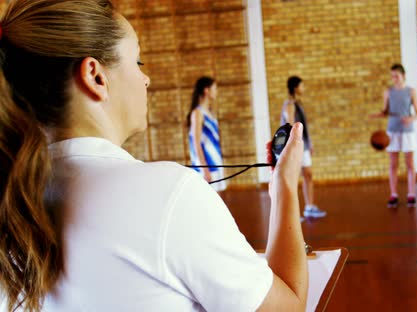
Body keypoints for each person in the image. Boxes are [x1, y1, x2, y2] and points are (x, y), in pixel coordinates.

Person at [0, 1, 307, 311]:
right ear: (95, 77)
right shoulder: (168, 194)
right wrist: (284, 190)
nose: (146, 79)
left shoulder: (11, 199)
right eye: (138, 62)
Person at [369, 64, 417, 208]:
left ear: (403, 76)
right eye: (392, 76)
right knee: (393, 164)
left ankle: (411, 194)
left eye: (396, 76)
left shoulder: (411, 91)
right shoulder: (388, 92)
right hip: (392, 130)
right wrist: (379, 114)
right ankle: (394, 195)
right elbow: (385, 111)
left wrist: (410, 118)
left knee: (410, 163)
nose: (394, 79)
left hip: (407, 131)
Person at [281, 76, 327, 220]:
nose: (304, 89)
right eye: (302, 86)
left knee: (308, 175)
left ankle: (309, 207)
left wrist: (310, 143)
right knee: (292, 179)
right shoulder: (289, 105)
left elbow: (304, 127)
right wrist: (294, 147)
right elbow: (290, 126)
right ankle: (292, 213)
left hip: (304, 145)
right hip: (296, 146)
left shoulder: (298, 103)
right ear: (295, 88)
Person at [187, 76, 227, 192]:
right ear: (207, 90)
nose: (216, 92)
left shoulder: (210, 112)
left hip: (215, 161)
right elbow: (196, 143)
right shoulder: (197, 113)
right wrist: (205, 169)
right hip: (206, 164)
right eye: (215, 88)